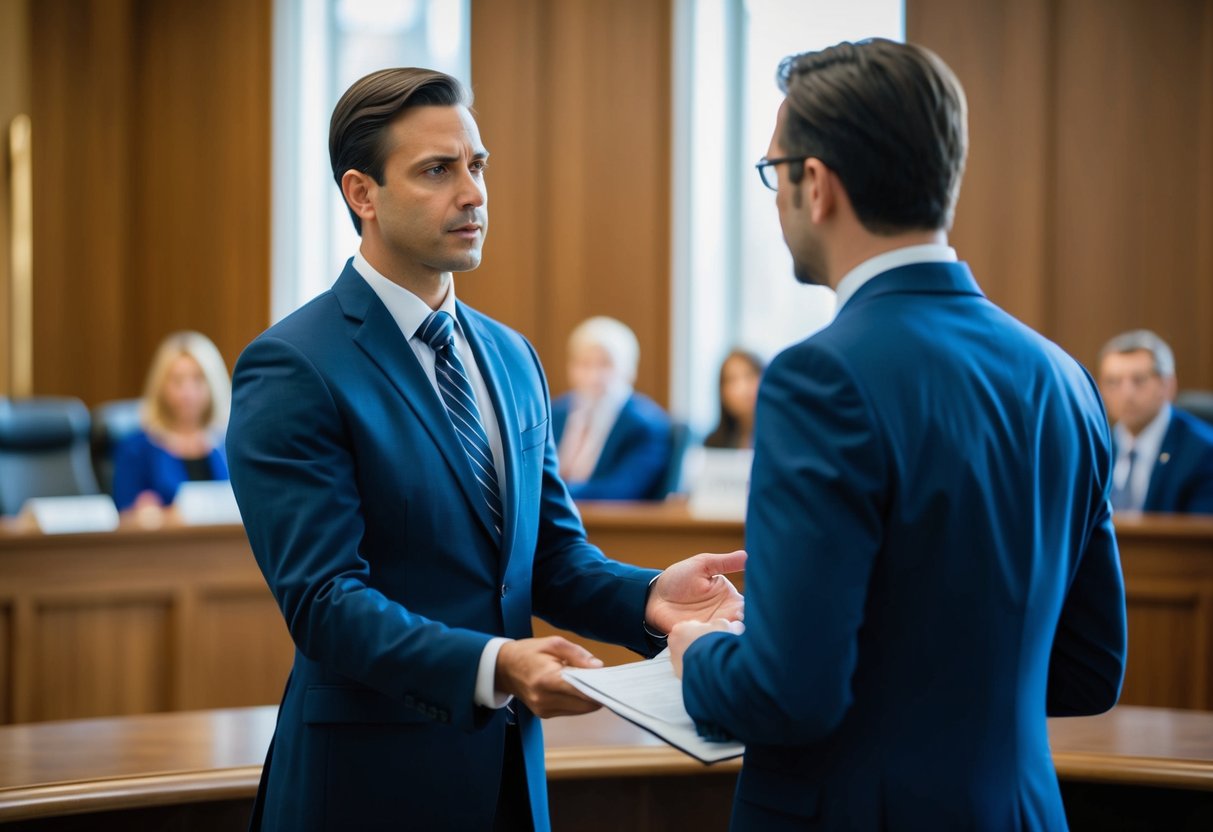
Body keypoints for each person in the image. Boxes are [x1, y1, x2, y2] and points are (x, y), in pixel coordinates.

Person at [225, 68, 745, 832]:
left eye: (477, 165)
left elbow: (550, 561)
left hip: (506, 781)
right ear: (361, 194)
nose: (473, 194)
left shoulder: (511, 356)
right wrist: (493, 665)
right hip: (366, 787)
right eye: (438, 170)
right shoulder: (294, 365)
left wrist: (648, 598)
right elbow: (324, 602)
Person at [669, 39, 1126, 831]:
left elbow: (787, 695)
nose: (776, 196)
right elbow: (1088, 671)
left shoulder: (820, 378)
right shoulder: (1060, 376)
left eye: (774, 172)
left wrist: (697, 653)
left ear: (815, 185)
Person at [551, 316, 672, 500]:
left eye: (605, 364)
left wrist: (549, 495)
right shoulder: (553, 413)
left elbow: (623, 490)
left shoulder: (646, 424)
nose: (594, 376)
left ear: (629, 368)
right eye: (584, 364)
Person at [112, 330, 231, 511]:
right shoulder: (136, 449)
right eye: (177, 381)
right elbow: (122, 517)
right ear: (161, 386)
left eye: (198, 380)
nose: (187, 393)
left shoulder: (229, 444)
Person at [1097, 329, 1213, 514]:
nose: (1127, 394)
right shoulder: (1097, 447)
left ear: (1167, 385)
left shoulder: (1203, 452)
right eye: (1113, 382)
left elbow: (1198, 537)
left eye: (1139, 380)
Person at [703, 348, 766, 449]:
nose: (743, 388)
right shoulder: (713, 443)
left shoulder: (781, 437)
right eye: (732, 380)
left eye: (749, 375)